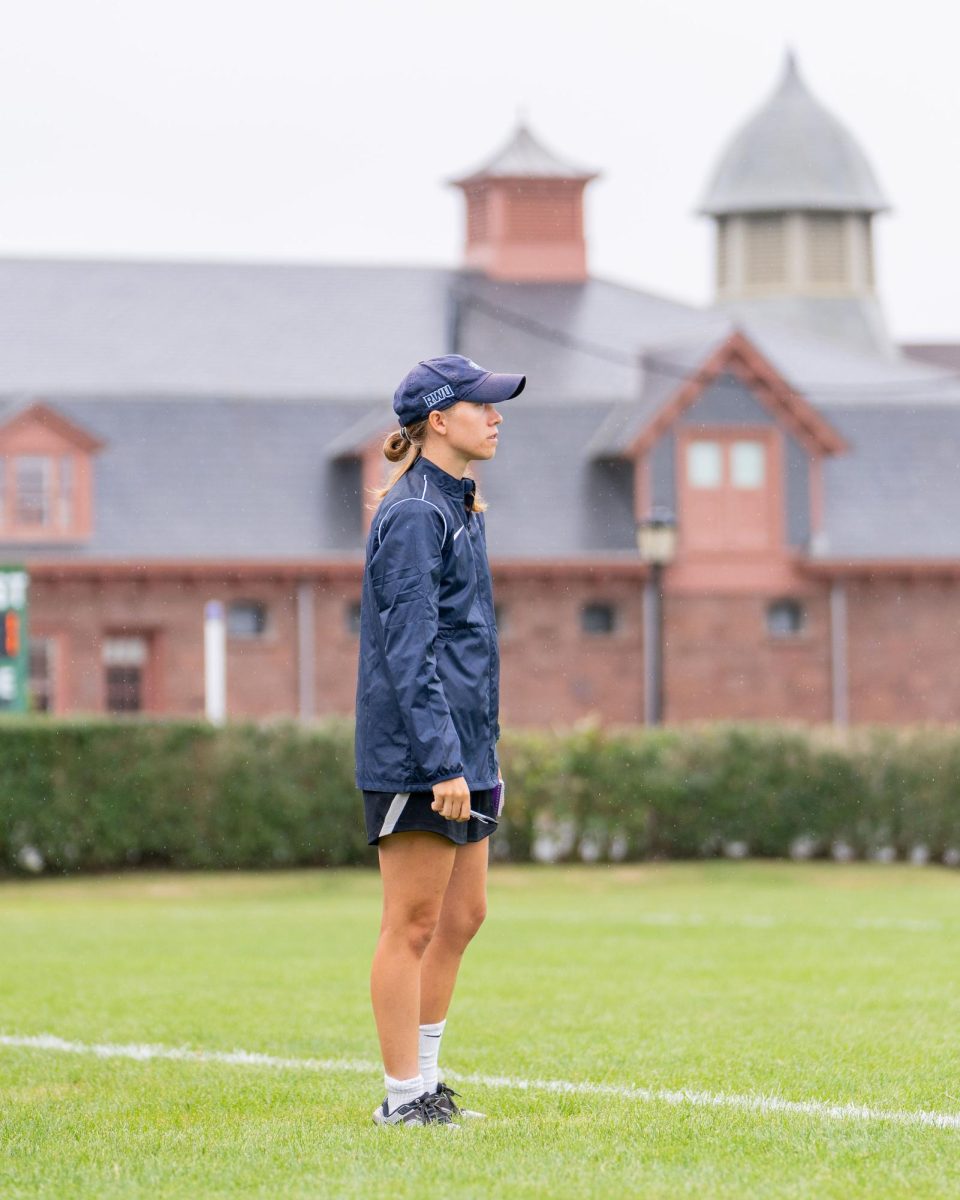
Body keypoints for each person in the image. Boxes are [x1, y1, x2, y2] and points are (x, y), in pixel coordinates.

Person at [354, 354, 525, 1128]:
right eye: (482, 405)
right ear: (437, 420)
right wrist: (443, 763)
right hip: (421, 757)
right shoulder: (418, 514)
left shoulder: (460, 505)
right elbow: (408, 650)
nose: (495, 416)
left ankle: (427, 1085)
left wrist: (482, 759)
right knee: (413, 923)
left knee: (463, 918)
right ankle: (402, 1099)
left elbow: (466, 652)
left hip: (465, 752)